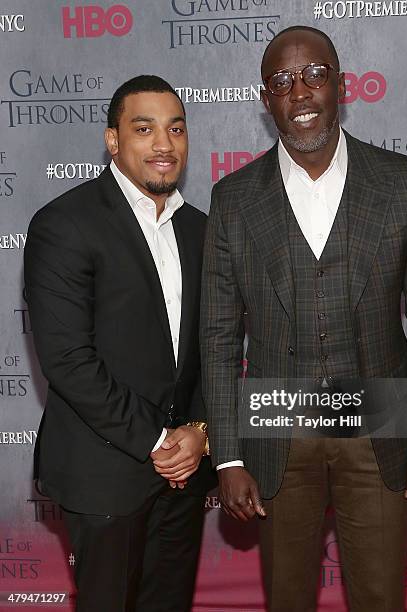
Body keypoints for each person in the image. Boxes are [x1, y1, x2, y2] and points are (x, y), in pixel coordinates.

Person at [200, 26, 407, 612]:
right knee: (286, 599)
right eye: (282, 81)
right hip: (277, 431)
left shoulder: (401, 182)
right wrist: (231, 456)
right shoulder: (234, 199)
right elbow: (218, 340)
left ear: (341, 85)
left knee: (379, 597)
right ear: (267, 100)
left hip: (380, 427)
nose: (301, 92)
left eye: (314, 74)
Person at [24, 75, 215, 612]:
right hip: (104, 473)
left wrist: (199, 431)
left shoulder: (202, 231)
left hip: (183, 475)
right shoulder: (65, 224)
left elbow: (214, 347)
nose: (163, 144)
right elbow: (67, 360)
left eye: (175, 129)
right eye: (144, 128)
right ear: (113, 140)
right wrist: (159, 442)